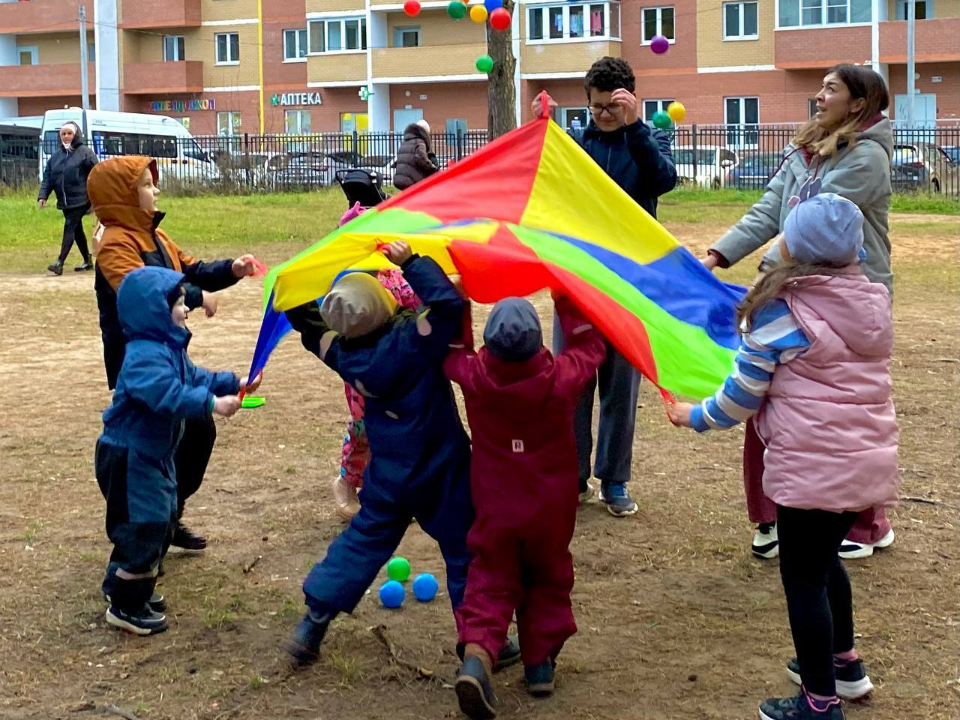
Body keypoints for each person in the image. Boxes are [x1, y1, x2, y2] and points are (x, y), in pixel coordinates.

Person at [668, 194, 898, 720]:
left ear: (794, 246)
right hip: (863, 466)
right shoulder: (869, 300)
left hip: (811, 470)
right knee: (824, 562)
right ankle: (845, 666)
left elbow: (742, 397)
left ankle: (818, 703)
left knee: (803, 579)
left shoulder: (783, 310)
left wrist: (695, 416)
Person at [701, 64, 895, 560]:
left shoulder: (867, 157)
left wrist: (761, 281)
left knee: (844, 408)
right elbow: (770, 211)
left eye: (831, 88)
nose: (819, 95)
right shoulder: (806, 149)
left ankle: (866, 522)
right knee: (767, 398)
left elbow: (814, 230)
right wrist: (717, 257)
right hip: (794, 289)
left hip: (849, 297)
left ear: (858, 103)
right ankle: (772, 515)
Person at [88, 156, 259, 551]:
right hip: (139, 363)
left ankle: (168, 515)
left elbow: (190, 269)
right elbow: (144, 294)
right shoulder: (116, 244)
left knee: (190, 435)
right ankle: (144, 535)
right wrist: (198, 298)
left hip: (168, 357)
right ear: (123, 197)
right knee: (155, 442)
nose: (156, 190)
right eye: (147, 186)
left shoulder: (156, 237)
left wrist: (230, 270)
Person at [532, 56, 678, 516]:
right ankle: (573, 476)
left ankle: (614, 480)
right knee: (572, 381)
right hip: (578, 284)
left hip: (629, 284)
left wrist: (634, 129)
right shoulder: (577, 145)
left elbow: (663, 180)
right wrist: (543, 134)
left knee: (621, 386)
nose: (600, 116)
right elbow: (546, 188)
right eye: (594, 108)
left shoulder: (651, 138)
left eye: (609, 108)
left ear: (629, 99)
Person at [447, 296, 605, 719]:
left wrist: (459, 300)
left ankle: (477, 659)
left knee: (491, 579)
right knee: (549, 578)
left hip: (496, 505)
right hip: (550, 510)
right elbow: (591, 346)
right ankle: (539, 666)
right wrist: (569, 298)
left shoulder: (475, 376)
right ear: (538, 343)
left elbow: (453, 352)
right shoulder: (561, 377)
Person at [97, 266, 257, 635]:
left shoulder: (168, 349)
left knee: (162, 517)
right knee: (145, 525)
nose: (187, 310)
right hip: (129, 457)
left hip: (151, 455)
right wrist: (212, 405)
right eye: (180, 304)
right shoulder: (143, 357)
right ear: (153, 311)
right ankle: (125, 606)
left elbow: (195, 378)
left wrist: (234, 382)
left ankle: (124, 587)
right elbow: (166, 395)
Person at [334, 268, 421, 520]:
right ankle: (347, 481)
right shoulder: (344, 279)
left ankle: (398, 488)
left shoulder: (394, 276)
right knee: (363, 427)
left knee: (400, 427)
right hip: (362, 368)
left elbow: (415, 304)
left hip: (397, 367)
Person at [38, 121, 98, 275]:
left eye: (69, 133)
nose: (66, 136)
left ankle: (60, 262)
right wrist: (43, 196)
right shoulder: (55, 157)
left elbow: (97, 173)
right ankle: (87, 260)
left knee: (69, 226)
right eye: (63, 134)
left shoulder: (85, 152)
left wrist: (96, 197)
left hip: (82, 198)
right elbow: (48, 178)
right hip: (65, 201)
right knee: (76, 230)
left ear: (76, 135)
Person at [393, 119, 439, 191]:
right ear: (424, 132)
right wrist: (433, 168)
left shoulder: (405, 141)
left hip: (400, 178)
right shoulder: (419, 142)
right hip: (411, 180)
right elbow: (421, 158)